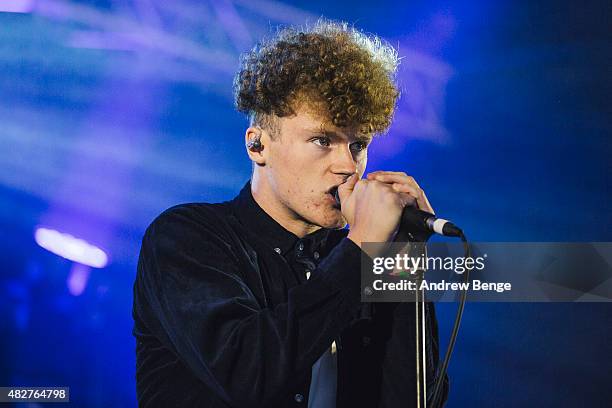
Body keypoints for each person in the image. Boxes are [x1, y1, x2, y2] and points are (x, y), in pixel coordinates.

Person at [132, 19, 449, 407]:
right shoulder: (186, 237)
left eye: (358, 144)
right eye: (322, 140)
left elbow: (414, 398)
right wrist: (361, 249)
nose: (348, 166)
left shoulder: (358, 255)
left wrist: (402, 258)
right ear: (258, 145)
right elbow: (248, 373)